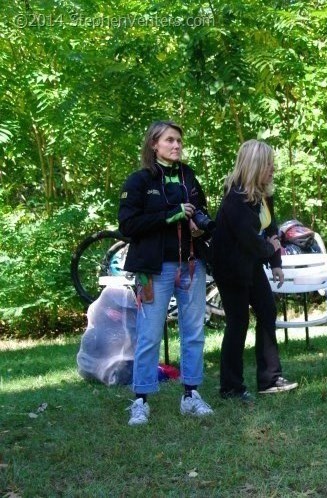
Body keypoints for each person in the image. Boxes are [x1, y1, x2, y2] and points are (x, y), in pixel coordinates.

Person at [118, 120, 214, 426]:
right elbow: (128, 225)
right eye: (169, 140)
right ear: (153, 144)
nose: (176, 145)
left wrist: (199, 228)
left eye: (179, 141)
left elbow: (202, 211)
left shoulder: (189, 176)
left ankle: (191, 395)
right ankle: (141, 400)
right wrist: (169, 215)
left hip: (191, 265)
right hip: (154, 270)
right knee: (148, 335)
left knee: (194, 332)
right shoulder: (138, 181)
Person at [212, 139, 298, 399]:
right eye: (269, 164)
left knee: (268, 311)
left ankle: (269, 379)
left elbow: (271, 230)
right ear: (255, 165)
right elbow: (252, 240)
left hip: (251, 261)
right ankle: (231, 387)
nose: (273, 169)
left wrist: (276, 263)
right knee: (238, 322)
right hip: (229, 266)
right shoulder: (234, 200)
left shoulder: (264, 193)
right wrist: (269, 248)